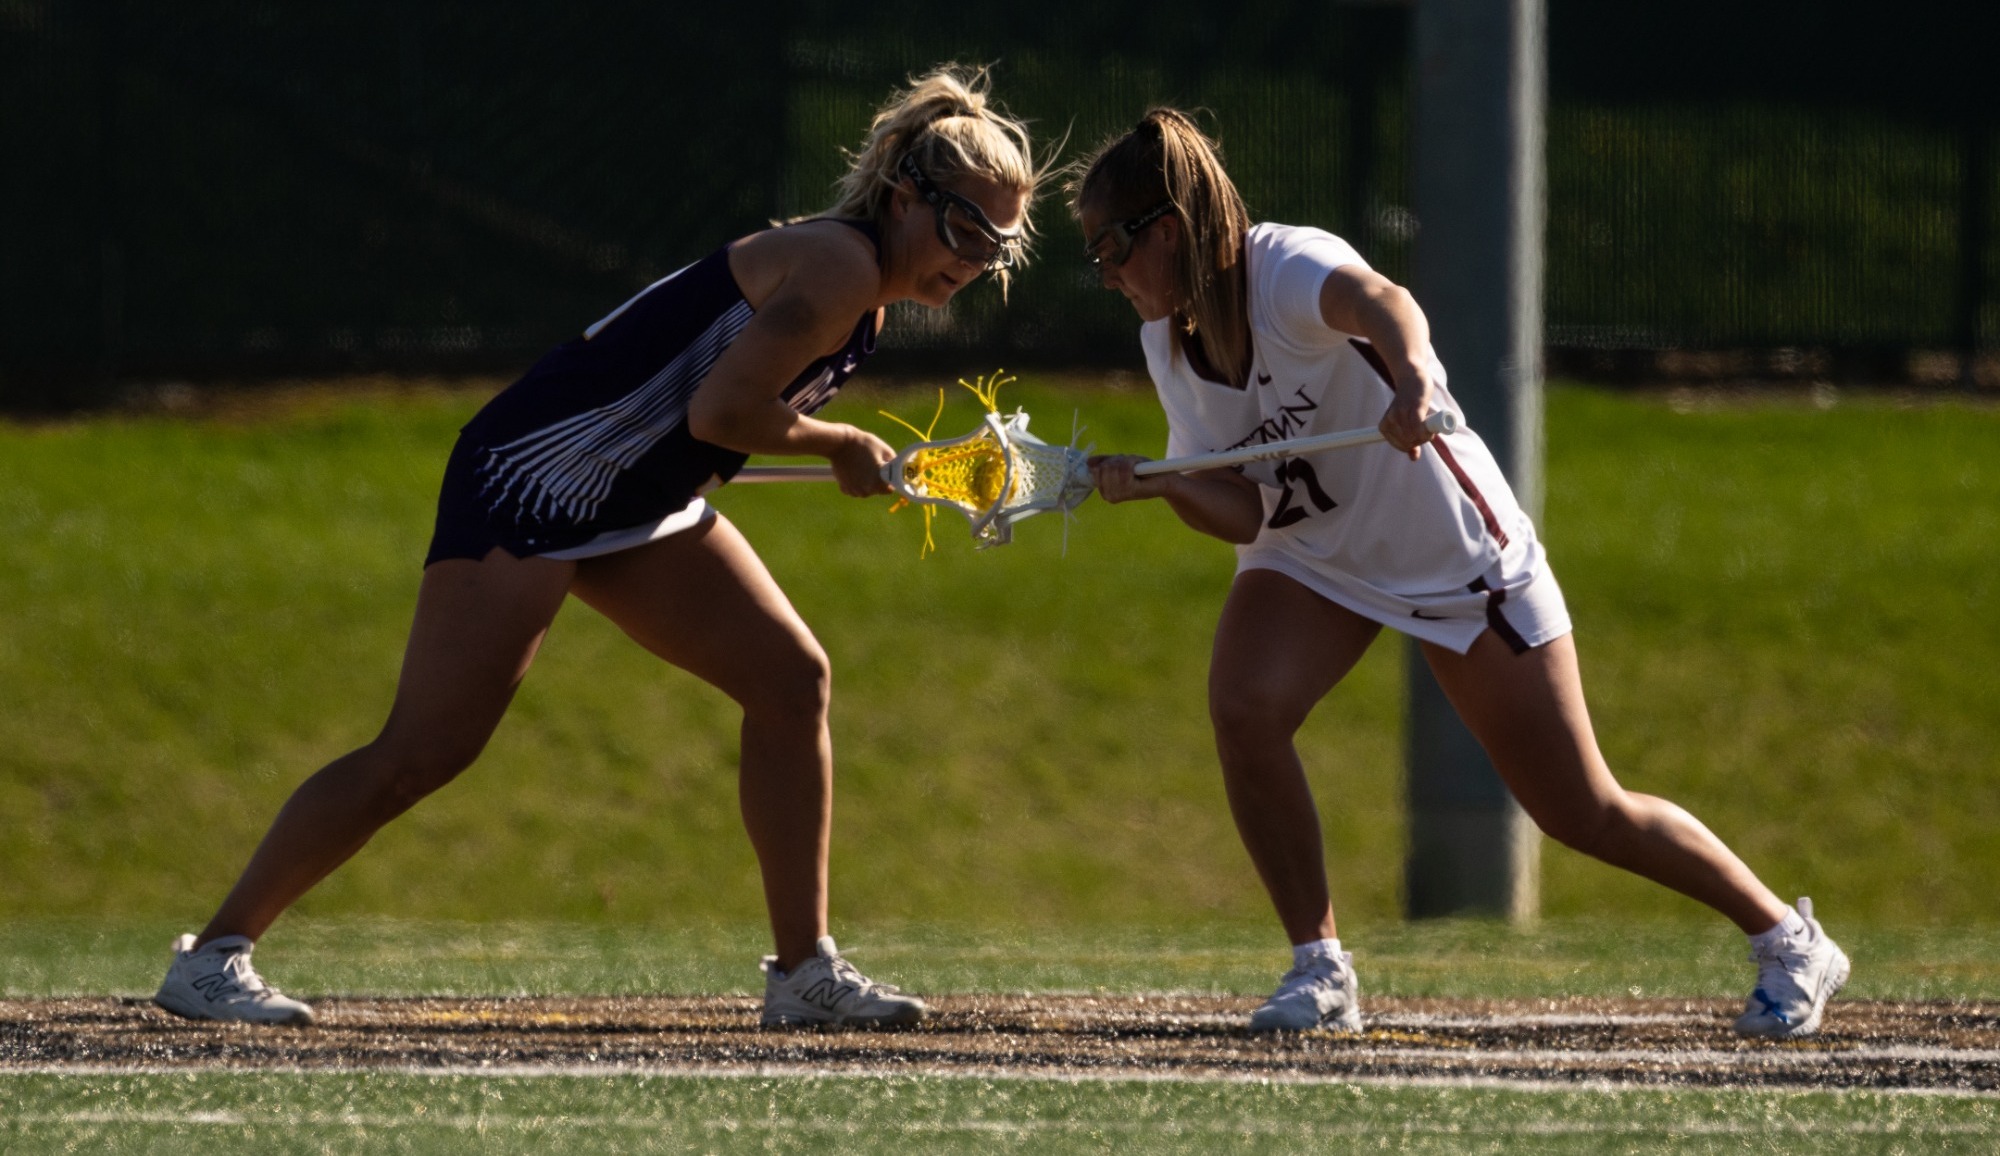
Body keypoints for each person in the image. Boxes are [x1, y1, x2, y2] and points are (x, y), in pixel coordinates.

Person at [154, 64, 1044, 1030]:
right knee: (423, 751)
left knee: (792, 681)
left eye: (998, 245)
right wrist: (836, 443)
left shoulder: (862, 291)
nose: (975, 260)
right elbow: (721, 410)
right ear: (906, 196)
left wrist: (813, 446)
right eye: (964, 229)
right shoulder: (844, 270)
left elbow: (700, 419)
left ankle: (803, 973)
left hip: (630, 496)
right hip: (535, 477)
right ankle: (214, 957)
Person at [1073, 109, 1847, 1039]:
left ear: (1164, 231)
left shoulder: (1281, 267)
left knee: (1579, 808)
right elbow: (1246, 510)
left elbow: (1383, 299)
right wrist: (1165, 485)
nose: (1106, 274)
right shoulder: (1168, 343)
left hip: (1453, 557)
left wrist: (1413, 381)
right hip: (1316, 554)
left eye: (1110, 248)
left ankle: (1789, 939)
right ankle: (1320, 970)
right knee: (1243, 706)